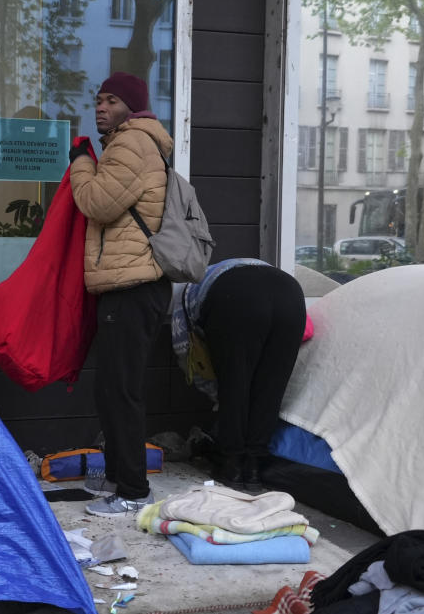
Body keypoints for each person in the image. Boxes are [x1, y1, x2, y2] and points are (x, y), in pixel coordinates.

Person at [67, 71, 173, 517]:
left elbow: (96, 202)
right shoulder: (130, 144)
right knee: (111, 387)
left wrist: (80, 161)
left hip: (134, 284)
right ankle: (116, 475)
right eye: (98, 99)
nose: (101, 107)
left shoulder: (132, 145)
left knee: (121, 389)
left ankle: (133, 490)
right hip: (126, 282)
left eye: (112, 100)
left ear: (132, 106)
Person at [171, 259, 307, 492]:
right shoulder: (220, 271)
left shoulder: (182, 304)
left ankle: (232, 465)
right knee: (271, 388)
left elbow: (188, 355)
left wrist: (215, 394)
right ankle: (254, 469)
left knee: (234, 385)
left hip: (236, 296)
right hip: (291, 294)